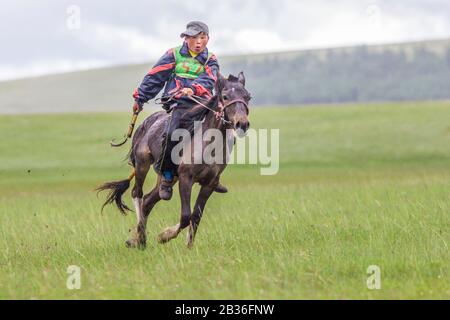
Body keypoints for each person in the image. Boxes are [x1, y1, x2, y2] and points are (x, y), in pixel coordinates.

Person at [132, 21, 228, 200]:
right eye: (193, 38)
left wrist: (194, 88)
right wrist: (140, 97)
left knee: (224, 129)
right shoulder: (174, 54)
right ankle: (167, 176)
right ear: (186, 38)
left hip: (203, 102)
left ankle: (215, 175)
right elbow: (155, 76)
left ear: (208, 38)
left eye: (202, 37)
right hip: (179, 104)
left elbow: (210, 78)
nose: (198, 42)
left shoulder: (211, 59)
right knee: (171, 134)